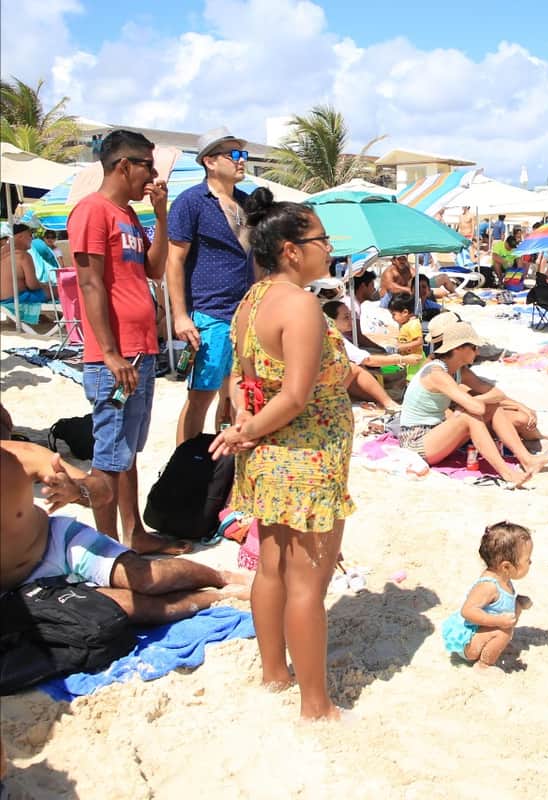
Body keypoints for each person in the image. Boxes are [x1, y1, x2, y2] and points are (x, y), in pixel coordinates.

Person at [208, 189, 355, 720]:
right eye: (321, 239)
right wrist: (246, 432)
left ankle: (275, 672)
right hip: (305, 456)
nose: (329, 247)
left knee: (271, 567)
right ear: (292, 250)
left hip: (270, 454)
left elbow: (238, 379)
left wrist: (247, 426)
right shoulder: (299, 305)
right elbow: (295, 395)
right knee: (308, 582)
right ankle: (316, 706)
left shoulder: (253, 300)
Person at [66, 130, 183, 554]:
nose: (152, 176)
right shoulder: (91, 211)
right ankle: (106, 547)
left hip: (142, 349)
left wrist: (162, 215)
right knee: (108, 456)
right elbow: (90, 284)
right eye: (148, 166)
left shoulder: (129, 215)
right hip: (113, 356)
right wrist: (111, 353)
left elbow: (153, 269)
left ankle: (134, 535)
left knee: (128, 452)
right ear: (124, 166)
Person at [1, 442, 250, 622]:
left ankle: (222, 578)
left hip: (58, 542)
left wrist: (77, 490)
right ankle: (216, 597)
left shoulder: (23, 457)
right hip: (21, 586)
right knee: (132, 609)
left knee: (147, 578)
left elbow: (103, 492)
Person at [165, 127, 255, 446]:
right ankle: (182, 467)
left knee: (236, 396)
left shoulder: (248, 203)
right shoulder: (191, 202)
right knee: (200, 396)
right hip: (210, 313)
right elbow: (174, 261)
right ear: (209, 162)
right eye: (234, 155)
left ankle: (222, 465)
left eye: (243, 154)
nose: (242, 161)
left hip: (246, 314)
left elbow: (256, 260)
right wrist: (180, 316)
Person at [389, 320, 548, 487]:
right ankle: (507, 473)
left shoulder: (458, 371)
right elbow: (478, 407)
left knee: (492, 408)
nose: (478, 350)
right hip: (416, 441)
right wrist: (474, 402)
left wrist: (477, 401)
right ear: (458, 348)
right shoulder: (436, 373)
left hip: (437, 432)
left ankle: (527, 460)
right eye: (474, 347)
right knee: (470, 417)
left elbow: (496, 394)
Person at [441, 522, 533, 671]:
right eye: (527, 560)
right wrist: (497, 621)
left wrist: (520, 602)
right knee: (504, 630)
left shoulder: (504, 577)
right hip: (468, 642)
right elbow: (467, 611)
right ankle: (483, 665)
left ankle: (493, 642)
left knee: (515, 607)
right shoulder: (488, 586)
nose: (530, 562)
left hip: (480, 631)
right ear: (506, 567)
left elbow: (503, 604)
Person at [0, 223, 49, 322]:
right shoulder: (23, 256)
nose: (32, 239)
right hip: (17, 299)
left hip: (3, 299)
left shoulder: (2, 254)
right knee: (56, 291)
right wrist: (45, 285)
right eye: (30, 235)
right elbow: (33, 285)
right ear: (20, 236)